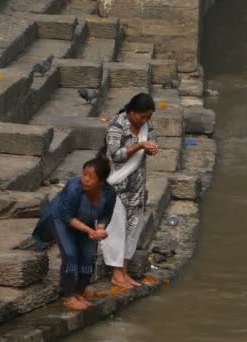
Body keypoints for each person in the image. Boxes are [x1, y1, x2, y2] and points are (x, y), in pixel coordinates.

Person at [32, 158, 116, 311]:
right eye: (84, 174)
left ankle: (78, 292)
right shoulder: (73, 187)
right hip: (61, 220)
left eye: (91, 177)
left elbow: (106, 214)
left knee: (89, 257)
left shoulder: (109, 193)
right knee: (70, 254)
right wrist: (90, 231)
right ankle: (68, 296)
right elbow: (67, 217)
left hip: (87, 223)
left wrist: (101, 229)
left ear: (101, 181)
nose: (85, 179)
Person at [99, 93, 160, 289]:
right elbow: (115, 154)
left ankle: (124, 272)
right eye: (142, 116)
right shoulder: (117, 126)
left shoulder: (146, 126)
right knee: (116, 228)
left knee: (133, 227)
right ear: (131, 112)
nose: (145, 121)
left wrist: (151, 148)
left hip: (137, 184)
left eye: (148, 117)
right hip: (116, 185)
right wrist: (140, 145)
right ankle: (116, 274)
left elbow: (152, 140)